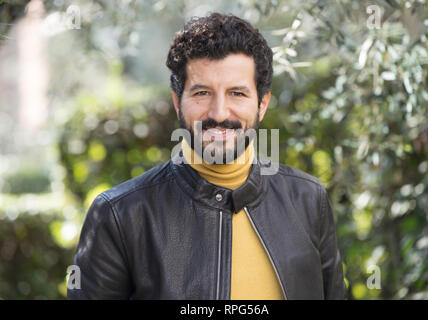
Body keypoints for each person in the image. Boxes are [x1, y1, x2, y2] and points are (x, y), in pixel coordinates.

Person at [67, 12, 346, 300]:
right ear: (178, 102)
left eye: (237, 93)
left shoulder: (308, 199)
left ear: (262, 104)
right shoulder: (119, 215)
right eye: (202, 93)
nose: (219, 113)